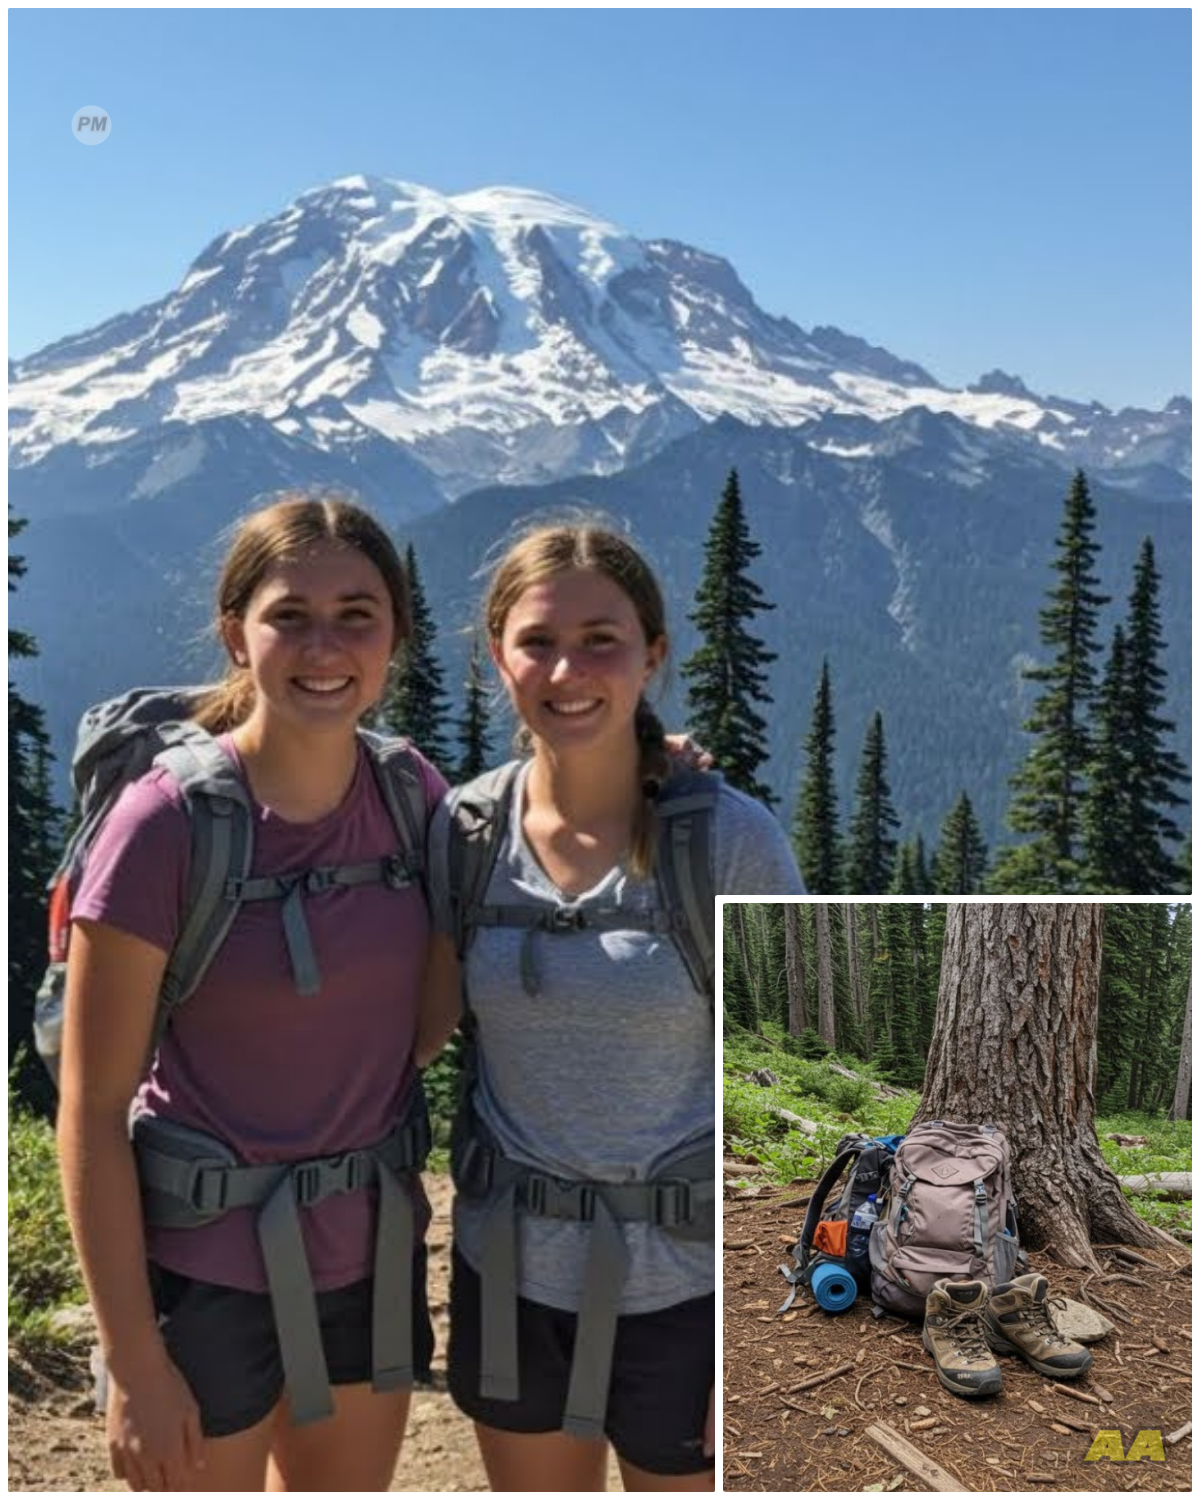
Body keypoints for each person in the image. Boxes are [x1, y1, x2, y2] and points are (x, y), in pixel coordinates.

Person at [57, 496, 444, 1492]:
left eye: (358, 613)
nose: (326, 645)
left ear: (396, 632)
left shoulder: (415, 800)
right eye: (291, 616)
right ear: (237, 633)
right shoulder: (165, 826)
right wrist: (135, 1364)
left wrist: (652, 766)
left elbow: (423, 1030)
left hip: (370, 1259)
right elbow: (93, 1109)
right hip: (202, 1277)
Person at [417, 521, 804, 1493]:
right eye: (537, 640)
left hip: (692, 1289)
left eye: (602, 640)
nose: (567, 668)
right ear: (496, 655)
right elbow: (412, 1032)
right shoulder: (462, 833)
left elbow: (787, 1083)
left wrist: (769, 1334)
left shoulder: (729, 842)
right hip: (510, 1272)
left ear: (653, 655)